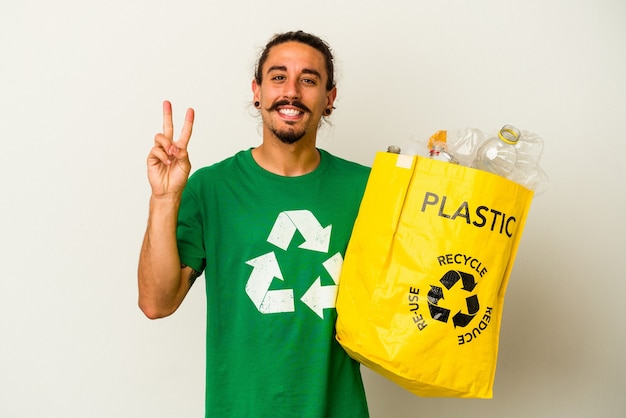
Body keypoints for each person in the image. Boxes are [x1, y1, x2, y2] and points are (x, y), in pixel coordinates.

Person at [138, 30, 370, 417]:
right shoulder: (211, 188)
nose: (291, 91)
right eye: (278, 77)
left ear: (329, 97)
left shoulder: (366, 188)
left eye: (309, 80)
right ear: (257, 91)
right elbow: (156, 303)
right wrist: (164, 199)